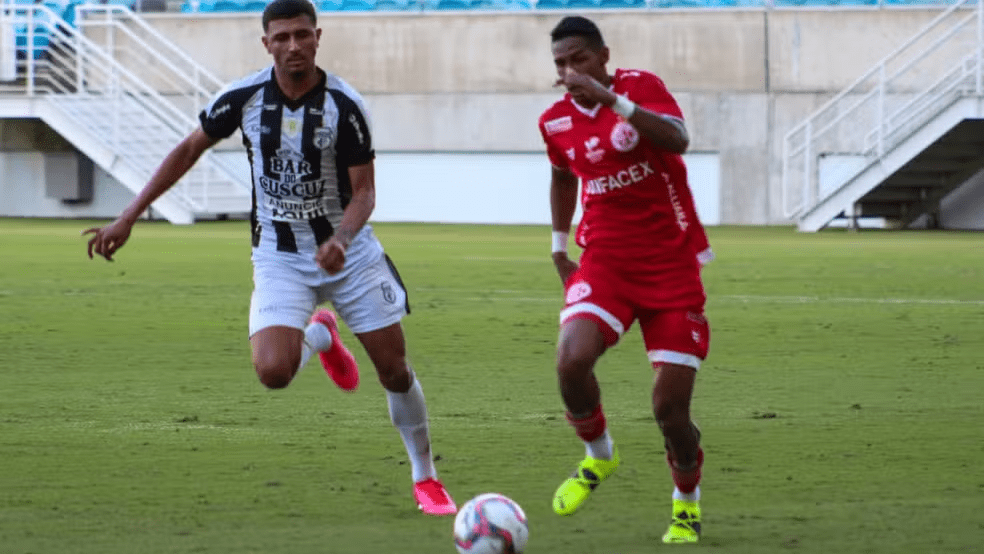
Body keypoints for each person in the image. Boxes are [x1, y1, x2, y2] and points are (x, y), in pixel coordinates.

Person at [83, 0, 456, 516]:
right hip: (279, 256)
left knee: (393, 370)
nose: (293, 46)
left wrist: (342, 239)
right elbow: (189, 149)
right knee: (273, 372)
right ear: (266, 44)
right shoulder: (243, 98)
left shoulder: (346, 107)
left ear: (318, 37)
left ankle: (425, 477)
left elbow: (365, 192)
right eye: (281, 37)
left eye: (302, 35)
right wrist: (129, 215)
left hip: (350, 255)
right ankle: (321, 336)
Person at [537, 16, 714, 544]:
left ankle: (686, 502)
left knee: (669, 409)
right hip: (606, 261)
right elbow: (563, 175)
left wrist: (612, 101)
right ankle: (599, 456)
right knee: (571, 362)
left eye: (579, 60)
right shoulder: (555, 121)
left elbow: (678, 139)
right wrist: (558, 245)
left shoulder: (640, 88)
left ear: (603, 56)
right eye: (560, 64)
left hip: (671, 263)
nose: (569, 72)